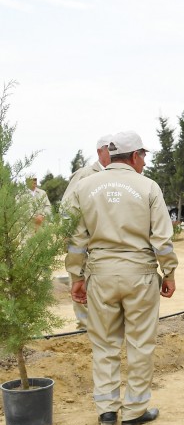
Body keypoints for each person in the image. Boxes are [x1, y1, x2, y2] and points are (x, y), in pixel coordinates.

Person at [64, 131, 177, 425]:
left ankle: (107, 410)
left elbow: (76, 239)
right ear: (135, 155)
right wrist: (169, 272)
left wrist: (77, 276)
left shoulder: (85, 186)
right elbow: (162, 239)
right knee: (140, 343)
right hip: (139, 275)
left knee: (103, 343)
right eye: (144, 156)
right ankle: (135, 410)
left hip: (100, 275)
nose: (144, 161)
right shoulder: (148, 187)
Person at [61, 134, 113, 330]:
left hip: (106, 242)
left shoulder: (118, 176)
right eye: (109, 148)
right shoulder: (85, 174)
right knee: (80, 279)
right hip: (84, 240)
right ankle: (84, 325)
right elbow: (67, 208)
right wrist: (70, 235)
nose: (113, 152)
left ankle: (102, 324)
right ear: (100, 151)